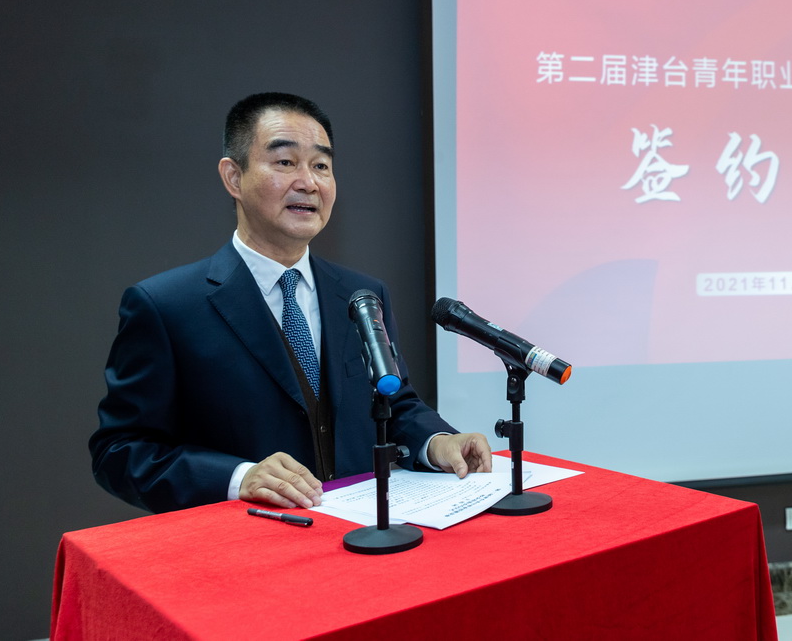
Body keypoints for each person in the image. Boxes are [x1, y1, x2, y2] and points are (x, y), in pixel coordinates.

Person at [90, 92, 491, 514]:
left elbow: (394, 403)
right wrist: (239, 478)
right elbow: (120, 451)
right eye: (285, 162)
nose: (308, 182)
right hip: (246, 543)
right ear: (233, 177)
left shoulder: (361, 294)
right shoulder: (167, 305)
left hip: (362, 536)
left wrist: (436, 441)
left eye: (321, 166)